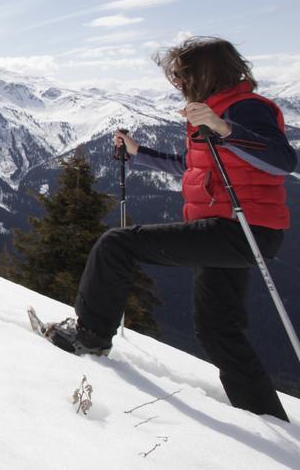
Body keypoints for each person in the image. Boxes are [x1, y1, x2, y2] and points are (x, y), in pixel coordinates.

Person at [43, 36, 296, 421]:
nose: (177, 82)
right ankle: (267, 417)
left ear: (207, 72)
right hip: (231, 231)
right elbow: (194, 167)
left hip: (240, 230)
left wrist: (224, 128)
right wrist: (138, 154)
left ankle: (90, 336)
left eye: (182, 74)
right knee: (217, 329)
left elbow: (283, 161)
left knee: (118, 245)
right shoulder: (213, 109)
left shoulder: (246, 108)